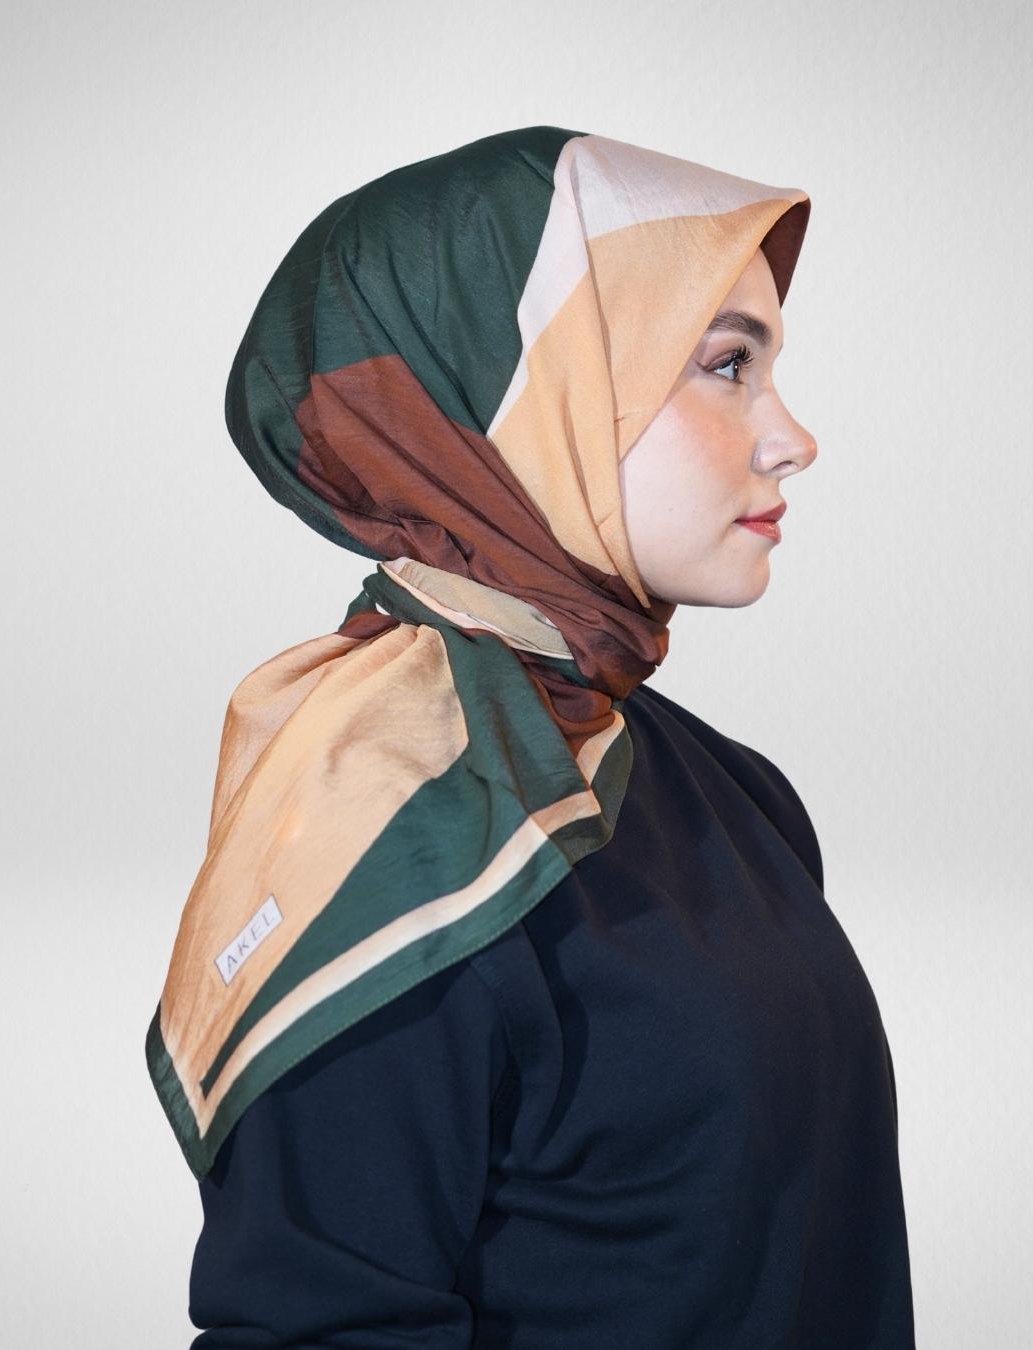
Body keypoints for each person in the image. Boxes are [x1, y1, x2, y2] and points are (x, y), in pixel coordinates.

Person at [146, 125, 916, 1347]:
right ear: (524, 400)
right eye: (727, 364)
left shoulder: (735, 794)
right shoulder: (390, 829)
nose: (792, 438)